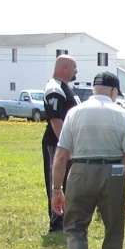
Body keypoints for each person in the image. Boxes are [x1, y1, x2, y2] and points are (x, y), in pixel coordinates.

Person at [51, 72, 125, 249]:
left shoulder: (74, 113)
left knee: (75, 227)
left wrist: (56, 188)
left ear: (94, 89)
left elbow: (61, 156)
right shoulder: (122, 114)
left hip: (80, 170)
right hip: (113, 172)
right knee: (113, 228)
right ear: (113, 91)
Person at [42, 55, 79, 233]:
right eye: (74, 67)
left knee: (68, 181)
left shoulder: (65, 88)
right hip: (56, 144)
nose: (76, 71)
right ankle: (56, 223)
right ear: (64, 68)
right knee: (56, 181)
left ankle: (66, 219)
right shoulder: (54, 88)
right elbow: (56, 120)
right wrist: (66, 146)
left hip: (67, 144)